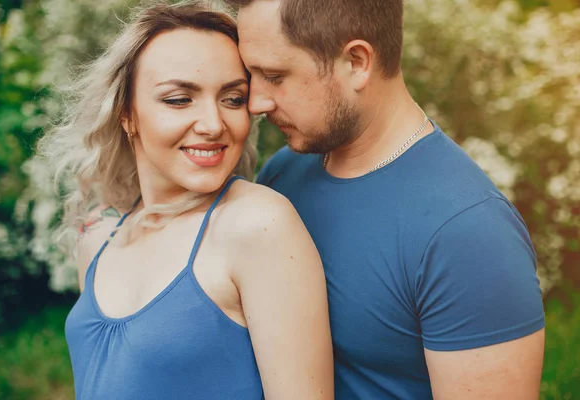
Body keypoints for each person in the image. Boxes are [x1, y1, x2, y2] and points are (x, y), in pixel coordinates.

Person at [227, 0, 546, 398]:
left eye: (274, 76)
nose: (257, 102)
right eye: (251, 74)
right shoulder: (284, 173)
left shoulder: (469, 232)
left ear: (358, 62)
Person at [37, 3, 334, 399]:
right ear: (127, 114)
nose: (213, 125)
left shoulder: (257, 225)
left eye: (232, 98)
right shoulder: (98, 234)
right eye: (179, 100)